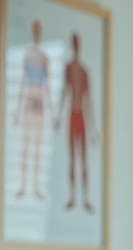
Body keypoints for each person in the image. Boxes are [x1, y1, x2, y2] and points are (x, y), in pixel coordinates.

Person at [54, 32, 98, 213]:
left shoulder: (85, 71)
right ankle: (72, 197)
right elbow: (64, 93)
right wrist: (57, 116)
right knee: (72, 158)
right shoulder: (68, 69)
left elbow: (89, 101)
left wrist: (93, 129)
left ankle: (85, 198)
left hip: (82, 118)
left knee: (84, 159)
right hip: (72, 115)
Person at [13, 18, 53, 201]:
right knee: (25, 147)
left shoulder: (45, 58)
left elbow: (48, 87)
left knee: (36, 148)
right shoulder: (28, 55)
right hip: (29, 100)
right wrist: (17, 110)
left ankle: (36, 187)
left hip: (40, 102)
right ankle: (22, 185)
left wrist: (52, 111)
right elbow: (22, 83)